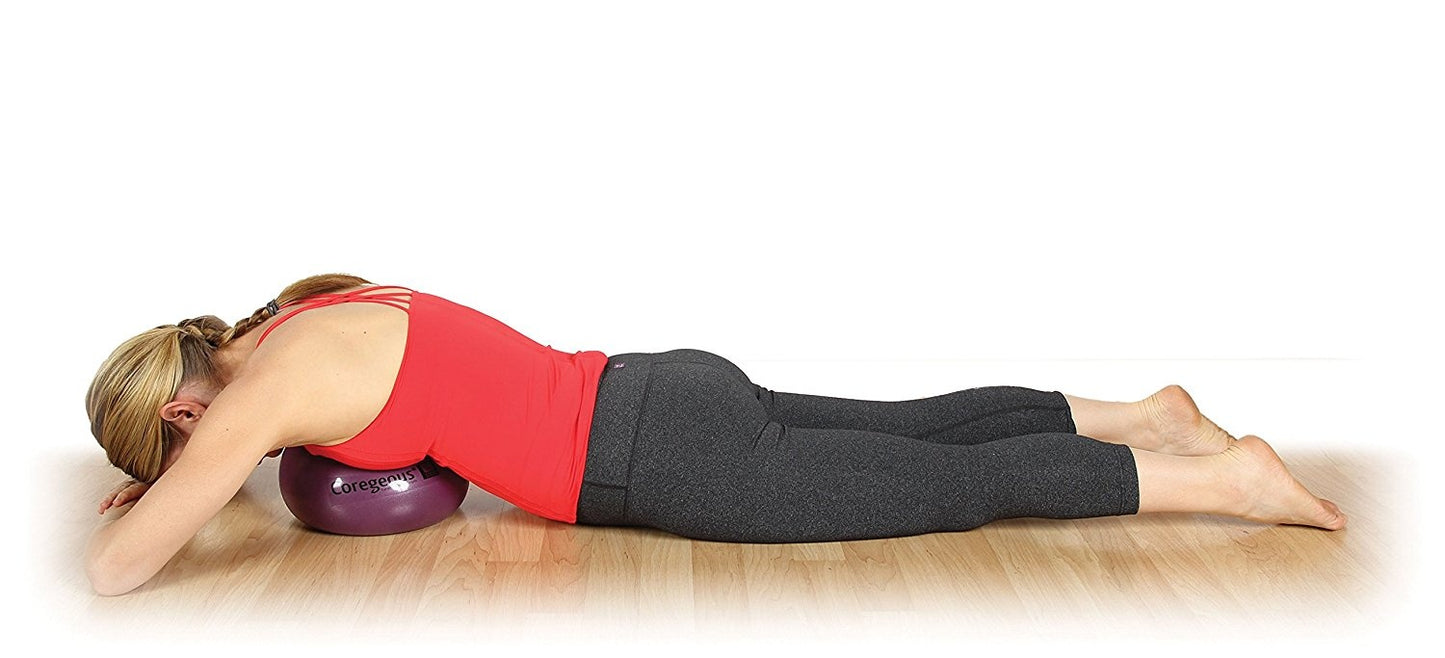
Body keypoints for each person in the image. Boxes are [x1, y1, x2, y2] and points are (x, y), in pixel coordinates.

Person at [84, 273, 1346, 596]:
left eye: (175, 448)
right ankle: (1150, 417)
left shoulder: (263, 391)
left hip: (654, 463)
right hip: (651, 384)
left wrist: (166, 501)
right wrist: (185, 476)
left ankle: (1227, 482)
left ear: (187, 410)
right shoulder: (304, 312)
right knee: (911, 427)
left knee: (937, 487)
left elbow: (116, 574)